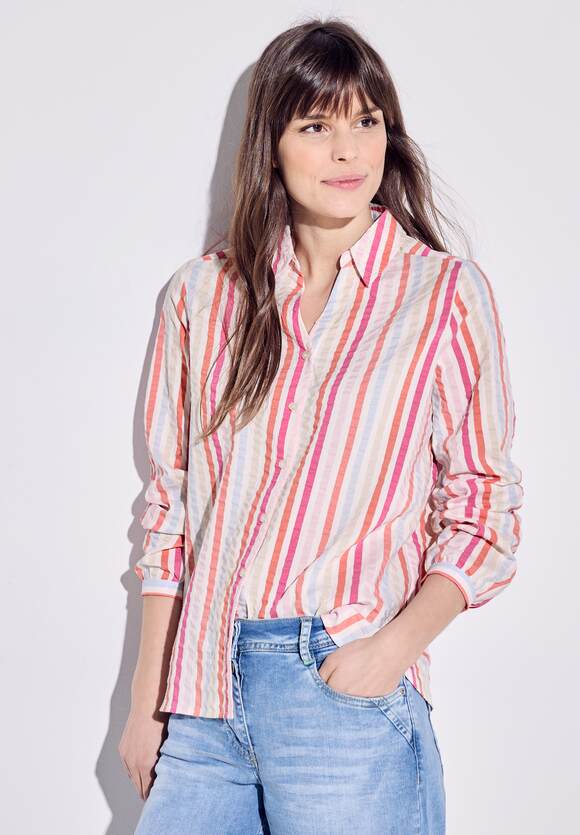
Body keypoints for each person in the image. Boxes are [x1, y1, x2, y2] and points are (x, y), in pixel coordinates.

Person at [119, 16, 524, 835]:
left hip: (342, 696)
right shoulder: (203, 295)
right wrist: (146, 699)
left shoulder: (442, 294)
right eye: (315, 126)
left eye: (365, 121)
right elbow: (171, 509)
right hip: (202, 699)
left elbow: (485, 509)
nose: (348, 151)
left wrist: (387, 652)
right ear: (270, 144)